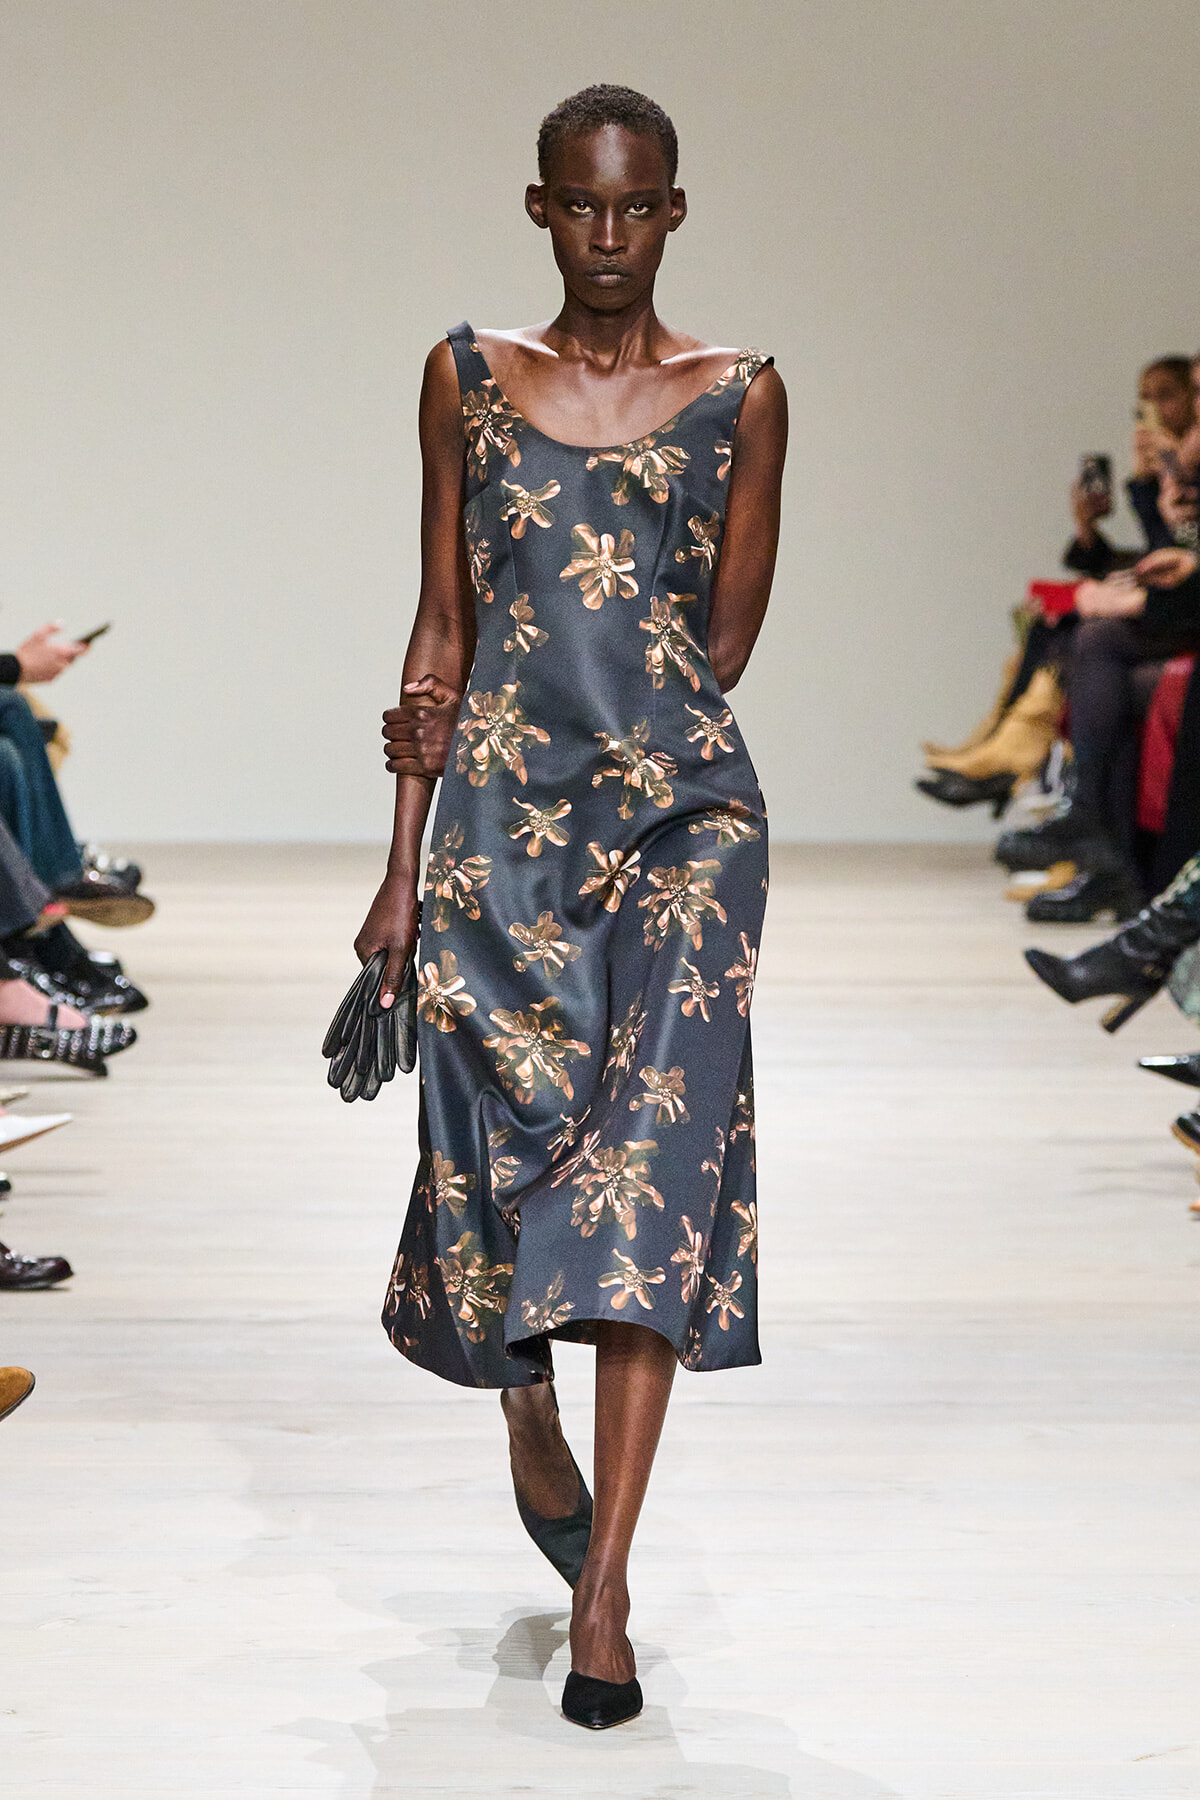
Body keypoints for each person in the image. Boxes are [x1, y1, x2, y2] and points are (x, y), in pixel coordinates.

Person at [354, 85, 786, 1731]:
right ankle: (520, 1403)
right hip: (498, 832)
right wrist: (403, 867)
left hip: (685, 822)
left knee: (645, 1173)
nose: (611, 236)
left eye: (640, 209)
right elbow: (441, 624)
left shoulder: (741, 394)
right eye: (583, 208)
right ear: (540, 207)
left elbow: (725, 644)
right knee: (492, 1145)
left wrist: (621, 725)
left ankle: (606, 1586)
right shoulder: (467, 377)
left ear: (677, 210)